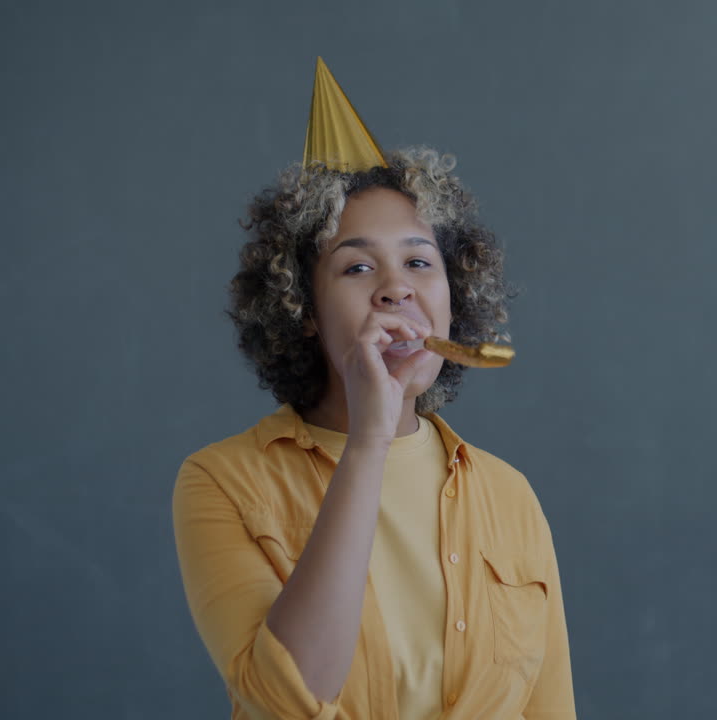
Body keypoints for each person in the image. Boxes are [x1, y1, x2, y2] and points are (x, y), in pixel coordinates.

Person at [171, 58, 576, 720]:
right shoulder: (221, 482)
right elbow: (289, 699)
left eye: (419, 262)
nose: (397, 288)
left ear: (454, 297)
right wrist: (367, 443)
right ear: (301, 308)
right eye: (358, 266)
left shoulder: (509, 496)